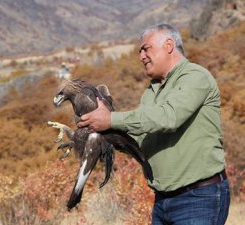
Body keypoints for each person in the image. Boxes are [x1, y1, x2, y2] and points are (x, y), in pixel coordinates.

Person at [77, 23, 230, 225]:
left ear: (168, 45)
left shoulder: (195, 76)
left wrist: (111, 120)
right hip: (163, 201)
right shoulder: (153, 90)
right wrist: (101, 132)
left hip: (198, 198)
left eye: (146, 49)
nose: (141, 56)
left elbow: (168, 117)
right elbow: (139, 138)